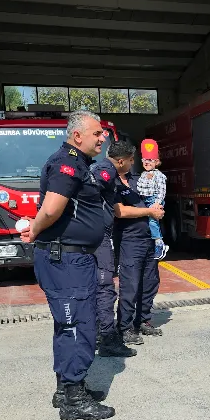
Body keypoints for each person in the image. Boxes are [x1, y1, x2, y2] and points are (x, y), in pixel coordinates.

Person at [20, 110, 114, 420]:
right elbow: (51, 209)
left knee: (67, 324)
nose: (103, 138)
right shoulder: (67, 164)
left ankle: (67, 388)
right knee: (79, 325)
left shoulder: (80, 164)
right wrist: (34, 229)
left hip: (71, 258)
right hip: (67, 260)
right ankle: (74, 398)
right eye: (97, 133)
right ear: (77, 136)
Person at [115, 141, 166, 346]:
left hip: (149, 239)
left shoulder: (140, 180)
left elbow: (158, 200)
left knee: (150, 281)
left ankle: (143, 320)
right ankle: (125, 327)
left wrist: (158, 211)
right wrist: (149, 212)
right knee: (130, 285)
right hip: (130, 240)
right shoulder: (117, 185)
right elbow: (119, 211)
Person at [91, 140, 137, 357]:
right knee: (105, 287)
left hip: (97, 234)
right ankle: (108, 338)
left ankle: (100, 333)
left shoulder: (102, 169)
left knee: (100, 287)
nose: (132, 164)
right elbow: (87, 191)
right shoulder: (105, 172)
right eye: (130, 161)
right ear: (121, 161)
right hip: (100, 236)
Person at [136, 139, 169, 260]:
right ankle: (151, 244)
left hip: (153, 200)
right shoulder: (143, 174)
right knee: (145, 224)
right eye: (144, 160)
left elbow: (161, 190)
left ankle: (159, 244)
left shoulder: (159, 175)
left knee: (152, 222)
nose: (147, 162)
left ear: (156, 162)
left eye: (150, 160)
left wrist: (157, 203)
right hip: (144, 201)